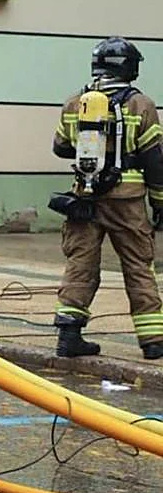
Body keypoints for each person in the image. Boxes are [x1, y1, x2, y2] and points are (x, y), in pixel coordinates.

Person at [50, 36, 163, 361]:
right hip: (126, 201)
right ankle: (153, 341)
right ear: (128, 67)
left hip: (84, 198)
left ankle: (69, 336)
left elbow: (59, 147)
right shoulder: (141, 105)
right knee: (138, 266)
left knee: (81, 264)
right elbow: (155, 160)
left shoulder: (76, 102)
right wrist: (160, 202)